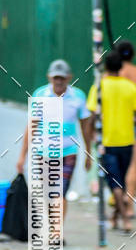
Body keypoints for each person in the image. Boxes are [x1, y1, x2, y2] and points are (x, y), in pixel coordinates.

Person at [17, 60, 91, 234]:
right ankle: (51, 225)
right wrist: (22, 156)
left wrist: (88, 152)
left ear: (69, 78)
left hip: (68, 153)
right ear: (49, 78)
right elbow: (32, 126)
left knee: (60, 192)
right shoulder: (40, 95)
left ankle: (56, 233)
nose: (59, 82)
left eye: (62, 78)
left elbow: (86, 126)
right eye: (56, 78)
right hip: (43, 153)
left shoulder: (78, 97)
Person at [86, 50, 136, 233]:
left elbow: (91, 117)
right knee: (120, 181)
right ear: (121, 67)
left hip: (106, 144)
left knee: (114, 182)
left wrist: (90, 137)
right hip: (127, 142)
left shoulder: (99, 87)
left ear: (106, 67)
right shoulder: (130, 88)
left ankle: (124, 220)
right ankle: (115, 217)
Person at [116, 39, 136, 218]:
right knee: (133, 166)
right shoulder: (135, 73)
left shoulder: (113, 75)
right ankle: (128, 205)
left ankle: (121, 205)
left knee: (118, 167)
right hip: (132, 124)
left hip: (116, 127)